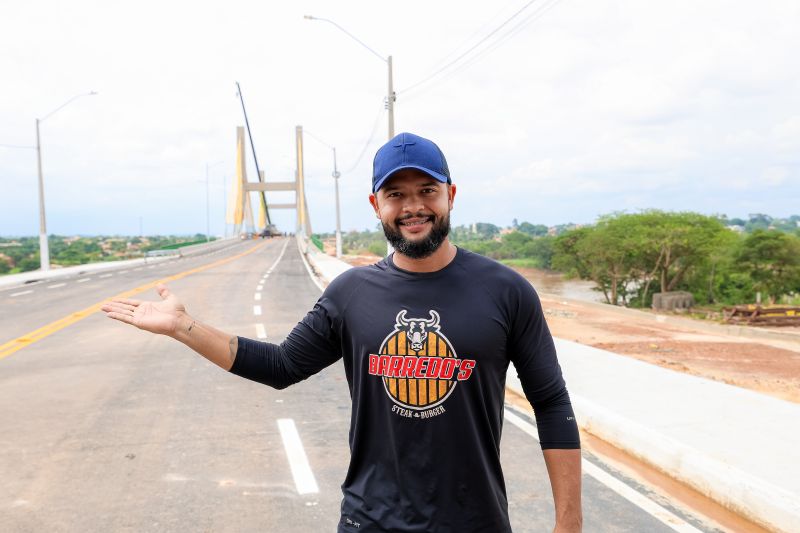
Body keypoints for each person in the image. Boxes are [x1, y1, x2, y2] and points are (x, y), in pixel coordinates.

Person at [102, 132, 582, 532]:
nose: (412, 206)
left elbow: (552, 403)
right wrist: (184, 326)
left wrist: (569, 523)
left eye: (426, 191)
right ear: (376, 205)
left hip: (476, 522)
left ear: (450, 196)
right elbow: (281, 365)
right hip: (370, 522)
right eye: (396, 194)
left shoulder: (506, 291)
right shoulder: (350, 292)